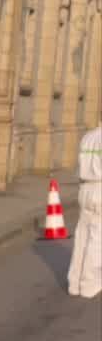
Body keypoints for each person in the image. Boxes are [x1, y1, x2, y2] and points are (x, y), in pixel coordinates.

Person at [72, 121, 102, 299]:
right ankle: (89, 283)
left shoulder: (88, 137)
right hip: (100, 188)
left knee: (82, 235)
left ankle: (74, 282)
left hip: (85, 187)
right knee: (97, 237)